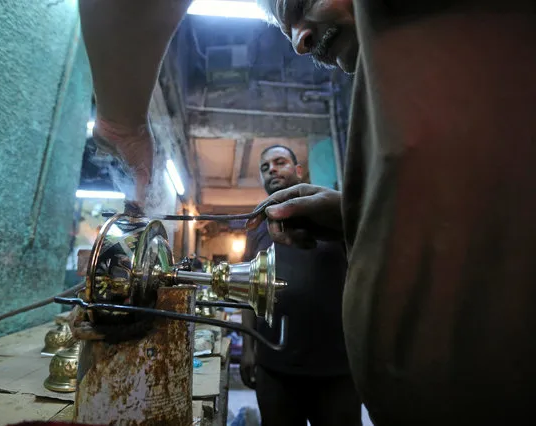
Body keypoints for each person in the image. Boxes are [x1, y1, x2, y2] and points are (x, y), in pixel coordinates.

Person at [77, 0, 536, 424]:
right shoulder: (275, 220)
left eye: (300, 1)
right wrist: (349, 216)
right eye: (263, 166)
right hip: (293, 367)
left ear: (296, 165)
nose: (298, 42)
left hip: (349, 372)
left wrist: (121, 125)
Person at [241, 144, 361, 426]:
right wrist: (248, 349)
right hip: (275, 366)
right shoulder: (257, 228)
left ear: (298, 171)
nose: (271, 169)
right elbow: (248, 289)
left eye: (279, 162)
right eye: (265, 167)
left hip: (336, 367)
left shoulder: (331, 216)